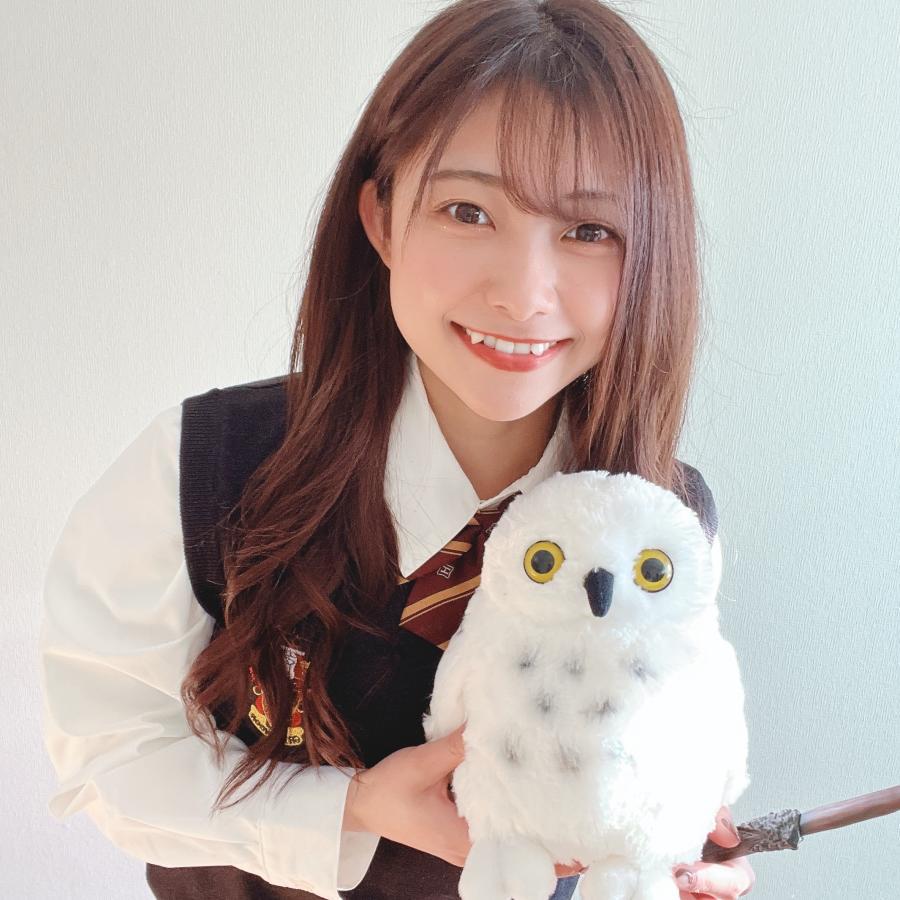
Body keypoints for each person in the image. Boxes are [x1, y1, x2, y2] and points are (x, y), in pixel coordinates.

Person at [39, 1, 756, 898]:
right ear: (380, 219)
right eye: (468, 210)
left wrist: (670, 852)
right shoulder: (204, 470)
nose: (524, 294)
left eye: (587, 231)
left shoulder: (664, 529)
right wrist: (349, 810)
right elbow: (107, 758)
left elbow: (655, 767)